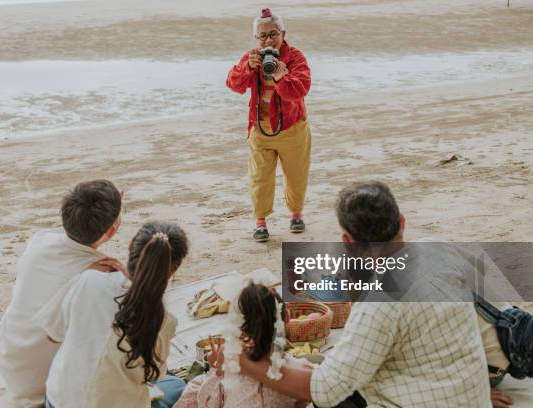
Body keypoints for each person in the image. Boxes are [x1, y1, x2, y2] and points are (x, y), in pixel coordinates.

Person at [215, 181, 493, 407]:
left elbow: (323, 390)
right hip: (470, 395)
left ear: (347, 241)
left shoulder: (379, 302)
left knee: (333, 399)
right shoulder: (439, 247)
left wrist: (240, 361)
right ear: (402, 222)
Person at [0, 179, 124, 407]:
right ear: (111, 231)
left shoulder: (40, 241)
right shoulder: (101, 272)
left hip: (8, 353)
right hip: (44, 380)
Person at [33, 222, 189, 408]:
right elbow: (154, 376)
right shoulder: (163, 320)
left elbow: (53, 334)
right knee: (176, 386)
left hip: (57, 401)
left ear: (130, 245)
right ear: (171, 273)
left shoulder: (89, 280)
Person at [226, 8, 312, 242]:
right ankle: (260, 222)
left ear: (283, 33)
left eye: (273, 34)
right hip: (260, 129)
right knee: (259, 178)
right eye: (262, 36)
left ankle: (296, 215)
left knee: (296, 175)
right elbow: (232, 84)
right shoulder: (252, 56)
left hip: (293, 127)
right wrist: (248, 68)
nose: (268, 40)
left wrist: (281, 76)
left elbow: (301, 89)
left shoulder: (295, 57)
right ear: (256, 38)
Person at [174, 282, 307, 408]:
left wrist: (215, 370)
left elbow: (207, 402)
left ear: (241, 331)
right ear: (288, 318)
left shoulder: (231, 371)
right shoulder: (300, 370)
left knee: (194, 387)